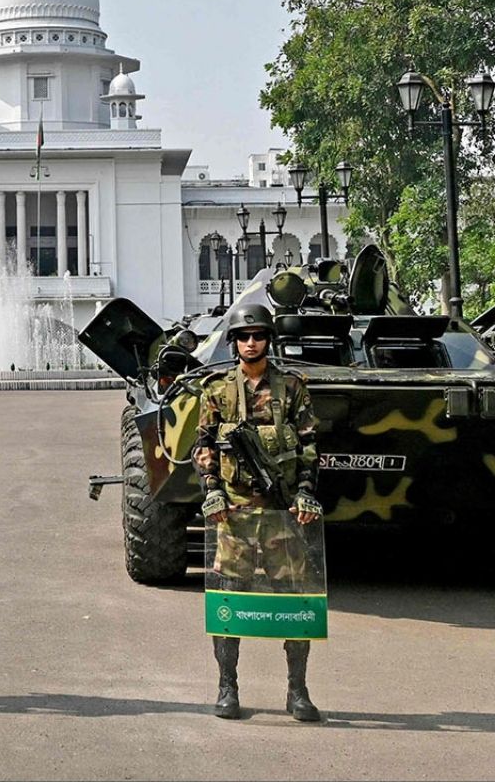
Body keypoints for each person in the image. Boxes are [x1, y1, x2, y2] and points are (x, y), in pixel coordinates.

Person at [194, 301, 323, 722]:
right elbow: (204, 448)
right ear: (234, 342)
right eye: (244, 336)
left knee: (295, 603)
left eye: (259, 336)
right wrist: (212, 491)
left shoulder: (292, 387)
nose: (252, 343)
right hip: (233, 514)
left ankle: (297, 691)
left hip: (283, 514)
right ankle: (227, 686)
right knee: (229, 602)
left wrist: (305, 493)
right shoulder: (216, 390)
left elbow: (308, 448)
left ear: (269, 339)